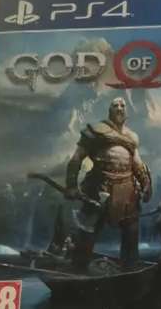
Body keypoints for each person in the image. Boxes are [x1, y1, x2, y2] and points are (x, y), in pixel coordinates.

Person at [65, 97, 152, 269]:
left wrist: (146, 184)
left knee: (131, 230)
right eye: (115, 105)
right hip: (100, 186)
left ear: (126, 110)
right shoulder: (95, 131)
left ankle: (130, 268)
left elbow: (137, 164)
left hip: (127, 189)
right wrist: (72, 185)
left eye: (122, 105)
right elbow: (76, 159)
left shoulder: (132, 136)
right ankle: (78, 268)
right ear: (109, 110)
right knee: (89, 229)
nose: (119, 108)